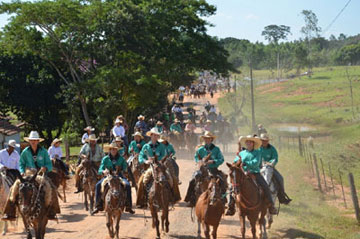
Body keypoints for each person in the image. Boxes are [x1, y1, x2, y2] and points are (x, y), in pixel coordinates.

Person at [2, 131, 60, 221]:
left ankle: (52, 211)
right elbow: (21, 163)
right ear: (29, 141)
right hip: (28, 173)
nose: (33, 142)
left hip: (40, 174)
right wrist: (21, 171)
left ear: (38, 141)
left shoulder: (44, 151)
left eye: (35, 140)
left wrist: (46, 168)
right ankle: (10, 213)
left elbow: (49, 164)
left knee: (51, 187)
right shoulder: (25, 152)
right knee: (13, 188)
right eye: (31, 140)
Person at [235, 135, 277, 215]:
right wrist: (236, 163)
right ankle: (231, 205)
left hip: (254, 173)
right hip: (243, 173)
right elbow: (236, 160)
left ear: (253, 143)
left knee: (265, 186)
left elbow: (256, 162)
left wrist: (245, 163)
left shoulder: (257, 152)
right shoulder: (241, 153)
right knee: (233, 186)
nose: (248, 143)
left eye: (250, 142)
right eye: (247, 142)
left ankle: (271, 205)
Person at [184, 131, 226, 207]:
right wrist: (200, 162)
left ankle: (223, 199)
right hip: (202, 169)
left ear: (211, 139)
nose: (207, 140)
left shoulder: (216, 149)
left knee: (222, 180)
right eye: (205, 138)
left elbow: (221, 159)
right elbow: (196, 157)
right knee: (192, 180)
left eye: (208, 138)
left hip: (213, 169)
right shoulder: (201, 149)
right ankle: (191, 199)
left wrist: (213, 161)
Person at [92, 142, 135, 215]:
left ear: (117, 150)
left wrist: (123, 169)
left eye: (115, 149)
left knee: (127, 185)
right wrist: (103, 171)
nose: (113, 151)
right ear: (109, 150)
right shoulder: (105, 159)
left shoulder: (121, 158)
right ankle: (98, 205)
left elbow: (125, 168)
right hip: (108, 177)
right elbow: (100, 169)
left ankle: (128, 206)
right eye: (112, 149)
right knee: (98, 185)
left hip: (119, 176)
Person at [136, 127, 167, 208]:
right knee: (141, 182)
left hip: (159, 166)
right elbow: (141, 156)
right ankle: (141, 201)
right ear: (151, 135)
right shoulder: (146, 146)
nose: (155, 137)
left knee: (171, 179)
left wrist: (158, 160)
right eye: (154, 135)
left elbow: (164, 155)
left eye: (157, 135)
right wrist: (145, 161)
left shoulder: (161, 146)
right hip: (149, 167)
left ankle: (172, 198)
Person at [259, 133, 291, 205]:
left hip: (270, 168)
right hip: (259, 167)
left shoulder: (272, 149)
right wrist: (261, 163)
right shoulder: (258, 148)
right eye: (263, 140)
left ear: (268, 141)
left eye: (266, 140)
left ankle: (282, 197)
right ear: (261, 141)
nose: (265, 142)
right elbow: (257, 157)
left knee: (280, 178)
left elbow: (275, 158)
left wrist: (271, 163)